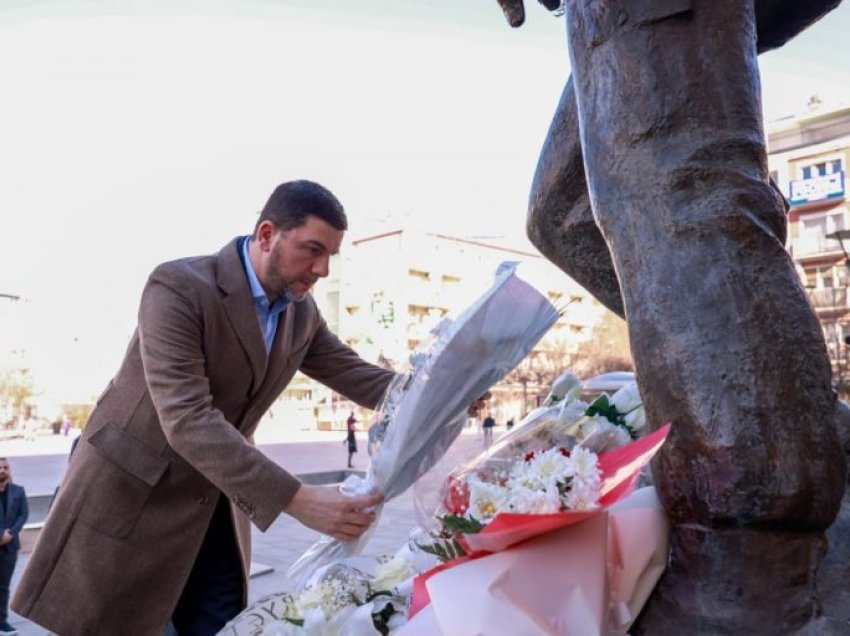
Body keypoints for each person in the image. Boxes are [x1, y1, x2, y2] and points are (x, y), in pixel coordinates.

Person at [12, 180, 397, 636]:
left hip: (216, 509)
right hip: (135, 501)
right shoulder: (178, 286)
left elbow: (362, 376)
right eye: (312, 249)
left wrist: (446, 387)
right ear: (268, 234)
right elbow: (187, 418)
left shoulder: (301, 313)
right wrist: (297, 500)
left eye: (331, 254)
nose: (322, 269)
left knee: (218, 626)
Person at [0, 458, 27, 636]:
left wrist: (11, 533)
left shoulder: (18, 491)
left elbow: (23, 514)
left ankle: (2, 622)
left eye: (5, 467)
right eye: (0, 467)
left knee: (3, 587)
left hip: (9, 549)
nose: (2, 470)